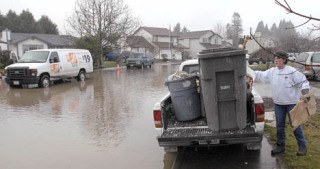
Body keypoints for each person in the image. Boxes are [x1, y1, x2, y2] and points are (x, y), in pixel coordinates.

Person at [254, 50, 309, 156]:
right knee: (280, 126)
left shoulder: (292, 71)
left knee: (296, 125)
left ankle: (302, 147)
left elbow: (303, 81)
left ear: (284, 60)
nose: (276, 60)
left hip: (292, 103)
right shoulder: (272, 71)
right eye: (275, 58)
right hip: (278, 104)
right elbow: (260, 75)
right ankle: (280, 146)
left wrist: (305, 92)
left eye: (278, 58)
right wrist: (249, 72)